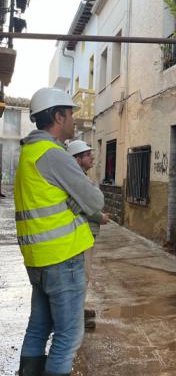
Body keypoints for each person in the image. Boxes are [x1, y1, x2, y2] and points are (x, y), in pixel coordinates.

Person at [14, 87, 104, 376]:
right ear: (56, 117)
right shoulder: (54, 155)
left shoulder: (30, 153)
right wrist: (79, 204)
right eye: (69, 112)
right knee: (67, 338)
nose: (73, 118)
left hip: (38, 259)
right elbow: (95, 201)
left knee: (38, 331)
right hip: (61, 258)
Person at [67, 140, 109, 329]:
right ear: (77, 159)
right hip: (79, 233)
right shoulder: (75, 179)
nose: (92, 157)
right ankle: (75, 317)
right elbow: (86, 205)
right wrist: (100, 217)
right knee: (81, 274)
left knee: (84, 274)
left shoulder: (78, 176)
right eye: (87, 154)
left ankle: (78, 309)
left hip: (83, 232)